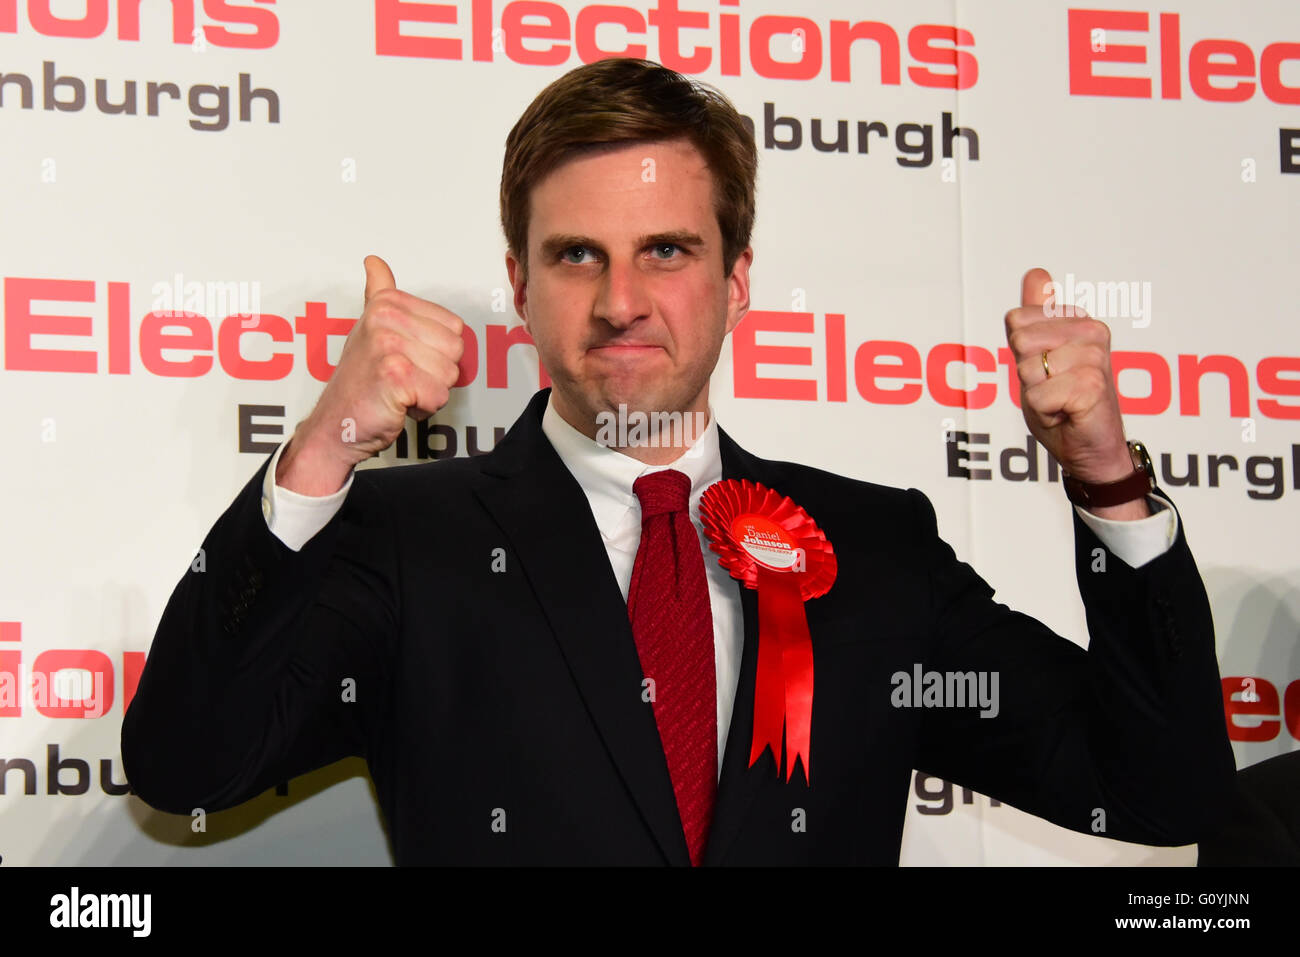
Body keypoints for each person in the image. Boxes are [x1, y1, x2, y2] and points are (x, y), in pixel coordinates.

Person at [121, 57, 1235, 865]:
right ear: (518, 283)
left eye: (665, 250)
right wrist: (324, 448)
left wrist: (1104, 476)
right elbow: (184, 767)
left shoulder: (878, 551)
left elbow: (1153, 788)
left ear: (737, 278)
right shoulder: (406, 540)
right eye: (575, 257)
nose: (618, 301)